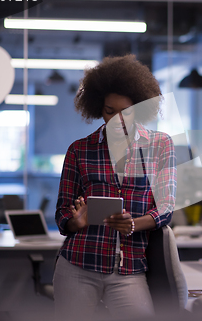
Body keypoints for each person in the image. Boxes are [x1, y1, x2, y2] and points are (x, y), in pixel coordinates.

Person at [53, 54, 176, 321]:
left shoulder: (160, 146)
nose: (118, 120)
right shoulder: (79, 150)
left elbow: (166, 209)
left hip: (128, 268)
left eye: (127, 112)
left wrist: (134, 223)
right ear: (99, 108)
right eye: (110, 111)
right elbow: (62, 213)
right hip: (78, 264)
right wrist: (75, 222)